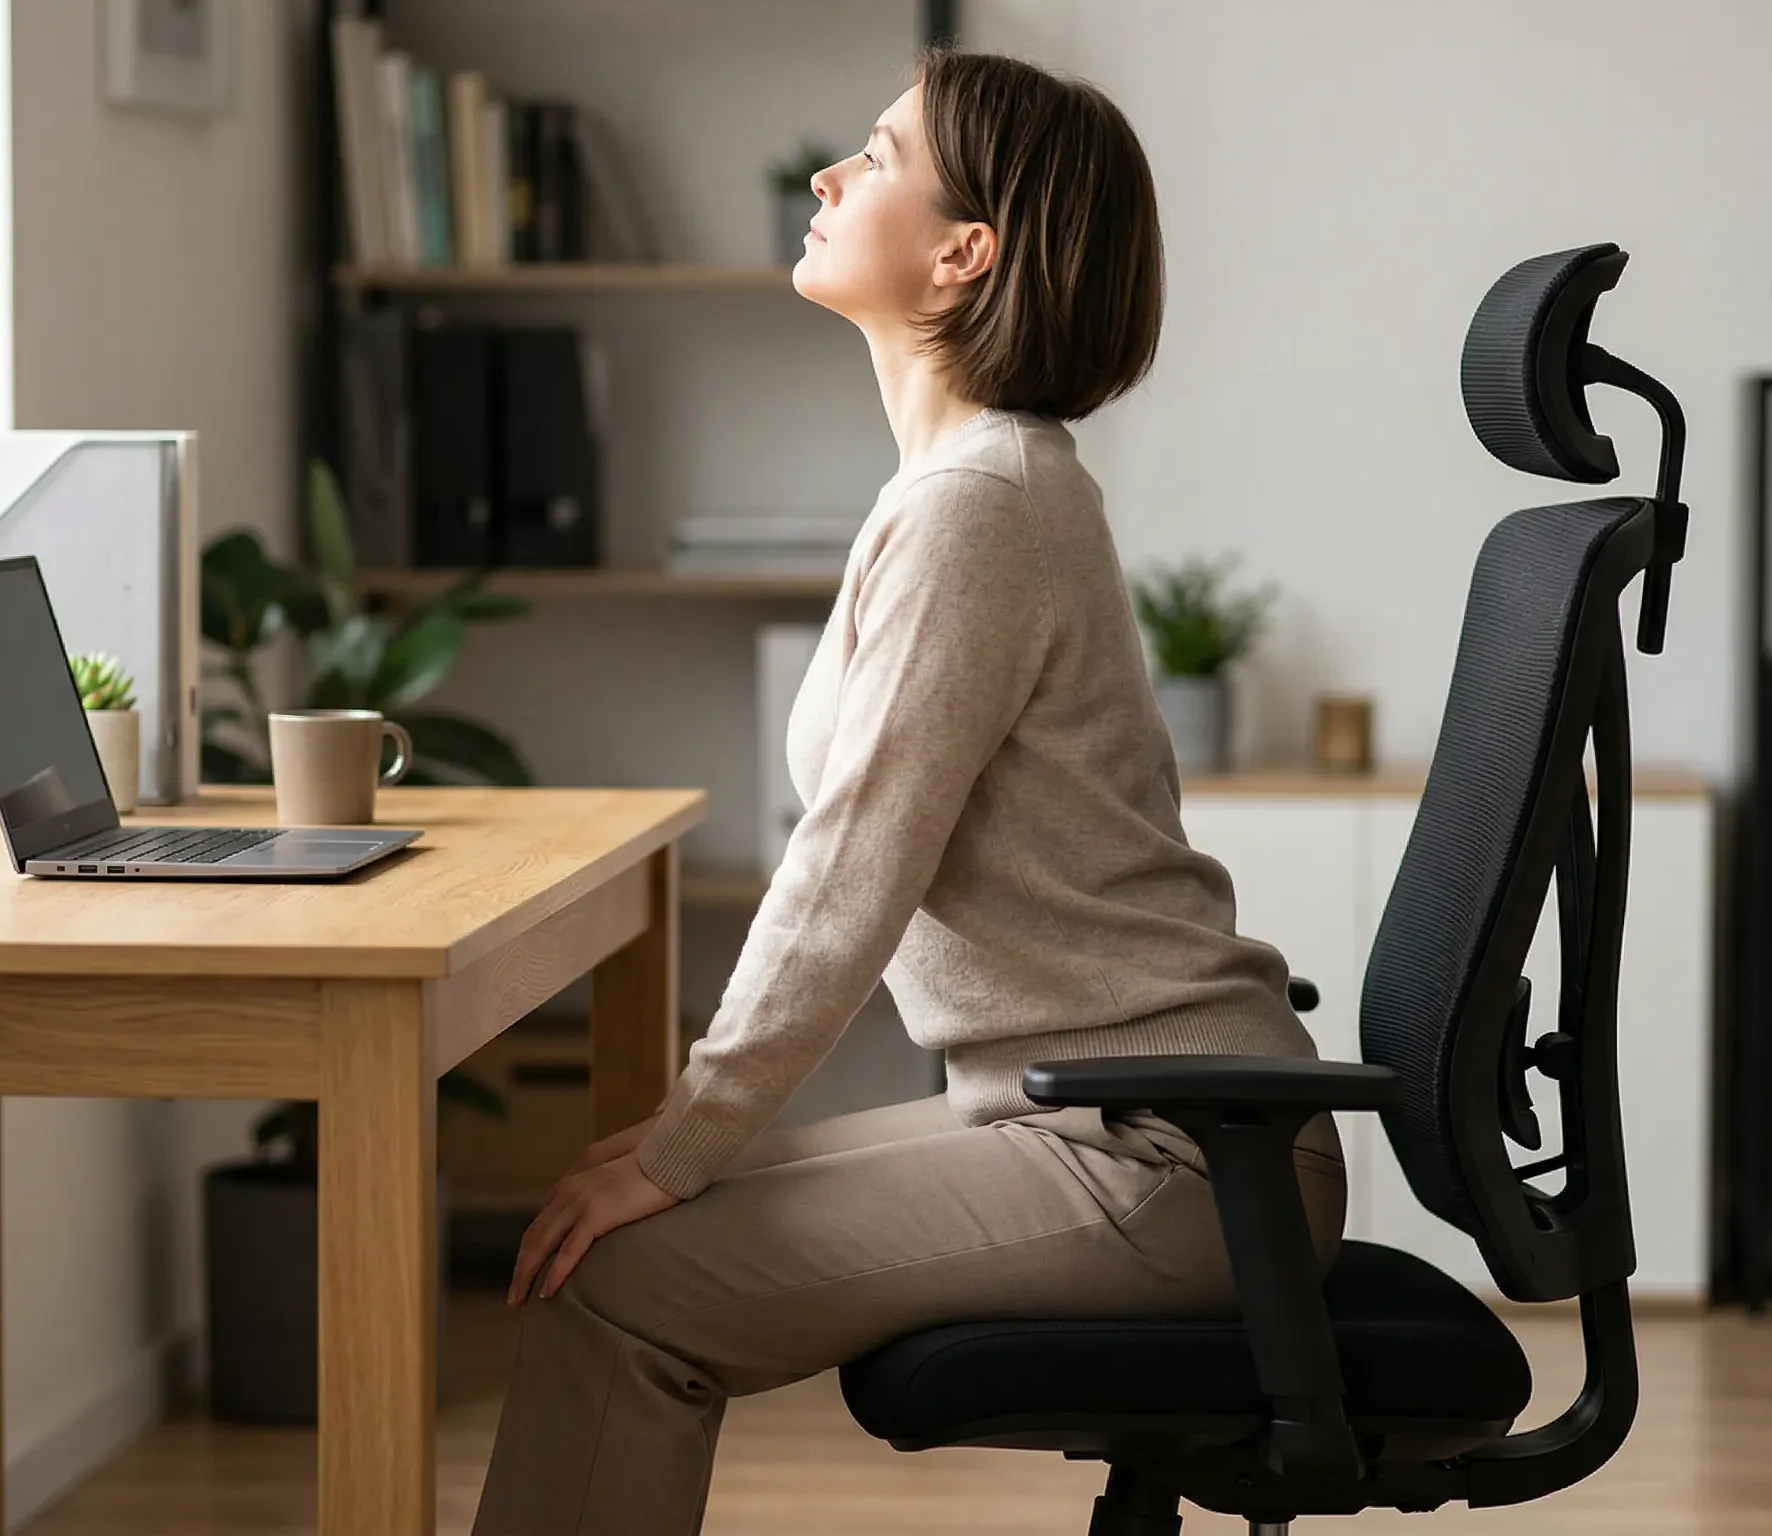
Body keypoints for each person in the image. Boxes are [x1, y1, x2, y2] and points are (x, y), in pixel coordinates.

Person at [472, 49, 1343, 1535]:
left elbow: (846, 876)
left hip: (1160, 1155)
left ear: (964, 252)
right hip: (1083, 1117)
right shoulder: (963, 490)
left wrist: (693, 1136)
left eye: (872, 156)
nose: (825, 175)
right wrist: (691, 1137)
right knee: (604, 1237)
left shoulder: (983, 509)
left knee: (614, 1281)